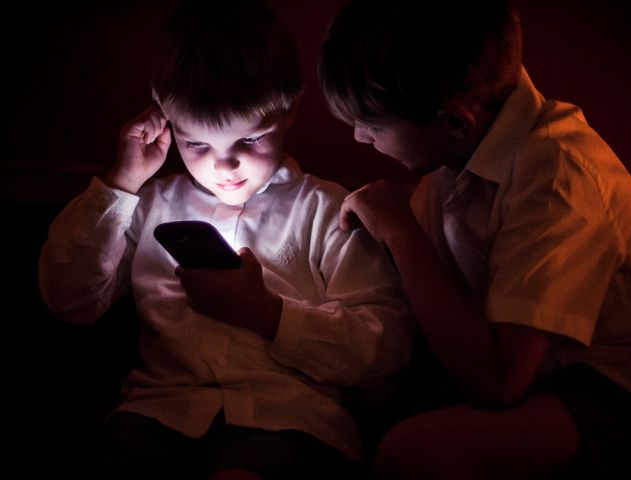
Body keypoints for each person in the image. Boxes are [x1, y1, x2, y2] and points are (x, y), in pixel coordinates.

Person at [38, 1, 413, 478]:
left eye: (251, 141)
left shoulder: (329, 212)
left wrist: (267, 315)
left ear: (291, 109)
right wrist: (121, 183)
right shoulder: (147, 204)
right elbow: (69, 299)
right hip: (159, 416)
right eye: (197, 145)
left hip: (291, 422)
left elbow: (385, 349)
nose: (224, 166)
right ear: (167, 117)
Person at [318, 0, 631, 478]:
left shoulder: (557, 177)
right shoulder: (466, 151)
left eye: (374, 126)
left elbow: (497, 382)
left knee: (413, 451)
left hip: (611, 375)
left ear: (454, 121)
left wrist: (399, 229)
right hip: (533, 360)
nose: (361, 140)